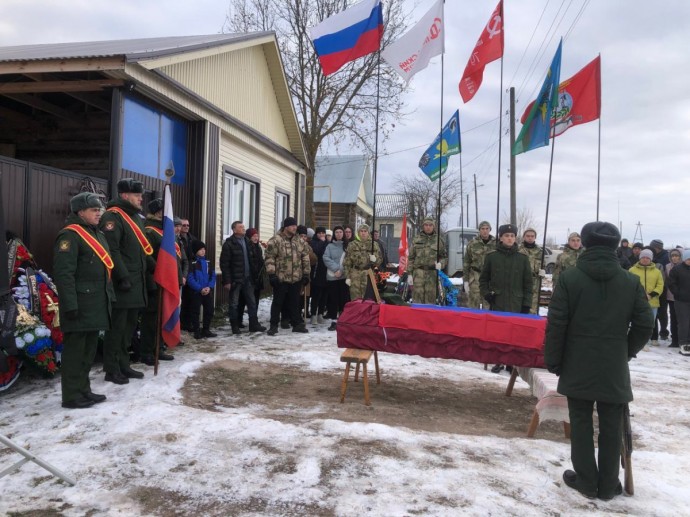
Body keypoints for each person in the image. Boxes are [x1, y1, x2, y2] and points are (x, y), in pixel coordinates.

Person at [545, 221, 653, 501]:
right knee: (611, 424)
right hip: (613, 364)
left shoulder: (570, 278)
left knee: (580, 423)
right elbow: (644, 324)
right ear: (616, 246)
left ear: (585, 243)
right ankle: (607, 484)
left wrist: (554, 360)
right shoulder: (630, 281)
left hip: (577, 360)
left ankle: (586, 480)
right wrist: (624, 351)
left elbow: (556, 324)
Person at [53, 193, 115, 408]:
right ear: (81, 212)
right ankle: (71, 395)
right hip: (79, 304)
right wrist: (70, 305)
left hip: (95, 303)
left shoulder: (96, 234)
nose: (99, 213)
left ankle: (83, 390)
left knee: (88, 351)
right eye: (93, 210)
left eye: (99, 209)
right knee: (75, 352)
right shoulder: (70, 236)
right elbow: (64, 274)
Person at [99, 178, 149, 384]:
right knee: (117, 328)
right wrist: (123, 275)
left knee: (128, 328)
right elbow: (112, 250)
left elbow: (140, 250)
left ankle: (124, 364)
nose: (141, 199)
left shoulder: (135, 217)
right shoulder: (113, 217)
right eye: (137, 195)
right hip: (123, 283)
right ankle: (111, 368)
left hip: (137, 282)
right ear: (125, 195)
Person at [479, 224, 532, 374]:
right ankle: (498, 361)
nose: (510, 238)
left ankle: (511, 362)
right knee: (498, 333)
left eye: (512, 236)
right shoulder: (492, 257)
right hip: (498, 301)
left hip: (516, 302)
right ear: (501, 238)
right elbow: (483, 280)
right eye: (507, 236)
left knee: (514, 334)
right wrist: (487, 294)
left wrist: (526, 304)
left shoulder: (522, 259)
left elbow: (528, 284)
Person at [140, 198, 175, 365]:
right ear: (158, 212)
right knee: (151, 318)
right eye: (163, 211)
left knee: (162, 316)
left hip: (165, 279)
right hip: (153, 279)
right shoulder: (149, 231)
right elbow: (147, 256)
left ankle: (158, 348)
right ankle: (147, 351)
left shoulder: (164, 231)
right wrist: (158, 273)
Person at [265, 217, 311, 335]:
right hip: (281, 277)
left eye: (295, 225)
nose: (294, 228)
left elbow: (305, 257)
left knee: (295, 302)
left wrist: (306, 273)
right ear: (286, 227)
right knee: (278, 302)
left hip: (296, 277)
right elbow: (270, 257)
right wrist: (271, 274)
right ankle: (273, 325)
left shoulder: (299, 241)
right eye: (292, 226)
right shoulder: (276, 240)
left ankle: (296, 324)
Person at [219, 221, 266, 334]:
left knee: (252, 302)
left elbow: (253, 260)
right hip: (235, 279)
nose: (243, 228)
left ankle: (253, 324)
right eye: (240, 227)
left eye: (244, 227)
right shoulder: (229, 243)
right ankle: (235, 326)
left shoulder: (247, 241)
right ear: (234, 230)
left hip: (248, 278)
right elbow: (224, 264)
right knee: (234, 303)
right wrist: (227, 281)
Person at [407, 217, 447, 305]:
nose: (428, 227)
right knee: (417, 300)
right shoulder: (416, 239)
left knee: (430, 301)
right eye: (426, 225)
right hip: (418, 274)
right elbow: (411, 258)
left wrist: (441, 264)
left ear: (434, 226)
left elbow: (444, 257)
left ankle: (428, 319)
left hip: (432, 275)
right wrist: (409, 274)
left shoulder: (439, 241)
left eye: (430, 225)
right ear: (423, 226)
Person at [629, 249, 664, 347]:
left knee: (650, 322)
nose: (645, 259)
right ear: (640, 258)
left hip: (652, 301)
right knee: (637, 322)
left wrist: (651, 295)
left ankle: (650, 339)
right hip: (637, 301)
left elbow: (660, 285)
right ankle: (638, 341)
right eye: (643, 257)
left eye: (647, 258)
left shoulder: (657, 272)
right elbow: (628, 284)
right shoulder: (632, 270)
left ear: (651, 259)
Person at [343, 224, 382, 301]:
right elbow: (347, 262)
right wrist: (347, 277)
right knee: (355, 298)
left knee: (367, 298)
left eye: (365, 231)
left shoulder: (374, 245)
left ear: (368, 233)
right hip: (355, 274)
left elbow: (380, 261)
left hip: (368, 274)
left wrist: (375, 260)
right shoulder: (352, 244)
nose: (363, 233)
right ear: (358, 232)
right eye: (361, 231)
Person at [187, 241, 217, 339]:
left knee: (209, 310)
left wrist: (210, 287)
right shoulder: (192, 263)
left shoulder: (208, 262)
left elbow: (213, 276)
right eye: (200, 249)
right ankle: (196, 330)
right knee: (195, 311)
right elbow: (190, 278)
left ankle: (206, 329)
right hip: (197, 292)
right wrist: (200, 288)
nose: (203, 251)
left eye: (204, 249)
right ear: (196, 251)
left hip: (207, 291)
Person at [464, 221, 496, 308]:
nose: (485, 231)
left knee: (488, 305)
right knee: (473, 305)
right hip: (475, 277)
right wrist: (466, 280)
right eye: (482, 229)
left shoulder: (496, 244)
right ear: (479, 230)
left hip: (490, 279)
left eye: (487, 229)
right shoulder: (472, 244)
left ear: (490, 230)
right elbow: (466, 262)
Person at [237, 228, 265, 328]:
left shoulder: (258, 248)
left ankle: (253, 321)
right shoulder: (247, 247)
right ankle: (238, 320)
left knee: (255, 301)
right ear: (249, 237)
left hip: (257, 278)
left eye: (257, 236)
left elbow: (260, 262)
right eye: (254, 236)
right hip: (248, 278)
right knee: (243, 300)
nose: (256, 238)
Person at [323, 226, 348, 331]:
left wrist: (341, 271)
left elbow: (349, 260)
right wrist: (336, 269)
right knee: (333, 300)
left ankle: (342, 320)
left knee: (344, 299)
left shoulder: (347, 246)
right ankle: (334, 321)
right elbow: (326, 258)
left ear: (343, 233)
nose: (338, 234)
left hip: (344, 277)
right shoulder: (329, 246)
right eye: (336, 232)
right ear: (334, 234)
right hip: (333, 276)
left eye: (340, 232)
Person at [518, 228, 546, 314]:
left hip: (534, 282)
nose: (530, 238)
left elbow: (543, 265)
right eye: (528, 236)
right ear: (524, 237)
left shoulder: (540, 252)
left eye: (532, 236)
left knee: (533, 305)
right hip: (520, 281)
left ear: (535, 237)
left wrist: (542, 272)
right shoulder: (518, 250)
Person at [668, 249, 690, 356]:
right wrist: (678, 294)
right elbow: (671, 284)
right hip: (681, 301)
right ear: (684, 259)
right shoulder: (677, 269)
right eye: (688, 259)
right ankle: (684, 344)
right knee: (684, 323)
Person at [650, 239, 670, 341]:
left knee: (662, 312)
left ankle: (663, 331)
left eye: (655, 247)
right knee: (653, 311)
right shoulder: (653, 256)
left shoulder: (666, 257)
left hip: (662, 288)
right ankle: (653, 332)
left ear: (658, 247)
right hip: (652, 288)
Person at [178, 218, 197, 331]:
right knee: (180, 299)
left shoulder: (192, 239)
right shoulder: (177, 238)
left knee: (190, 299)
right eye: (183, 225)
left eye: (187, 225)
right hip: (180, 272)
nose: (186, 227)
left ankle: (187, 323)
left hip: (190, 272)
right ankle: (179, 323)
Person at [309, 226, 329, 324]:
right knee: (316, 294)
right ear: (316, 234)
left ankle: (320, 313)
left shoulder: (328, 243)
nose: (321, 235)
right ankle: (313, 314)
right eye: (319, 233)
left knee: (324, 295)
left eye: (323, 233)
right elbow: (316, 251)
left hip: (326, 271)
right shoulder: (313, 242)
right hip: (317, 271)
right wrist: (321, 242)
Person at [664, 249, 682, 348]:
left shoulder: (685, 266)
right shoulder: (667, 266)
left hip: (683, 297)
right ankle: (674, 339)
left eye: (677, 255)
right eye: (673, 256)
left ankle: (682, 339)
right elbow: (666, 280)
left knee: (682, 319)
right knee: (673, 319)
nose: (674, 257)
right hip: (671, 297)